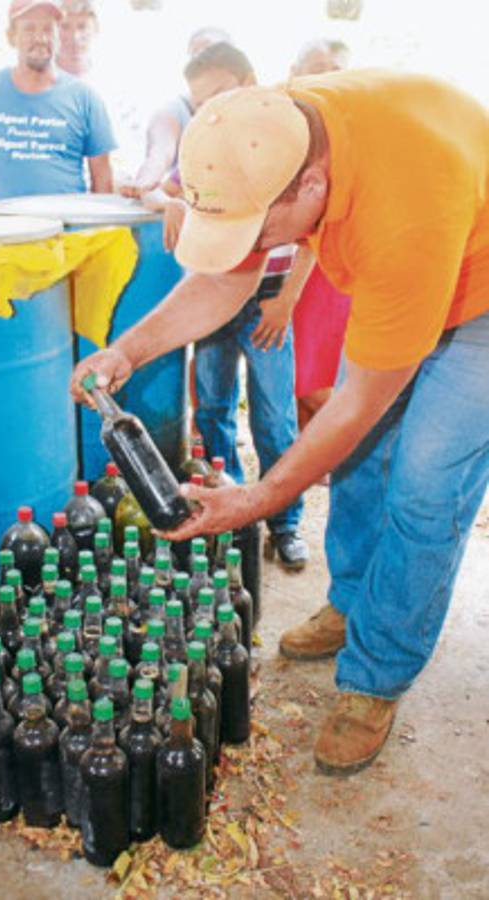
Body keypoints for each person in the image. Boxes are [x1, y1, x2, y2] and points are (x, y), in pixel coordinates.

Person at [72, 72, 489, 775]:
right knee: (359, 461)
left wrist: (260, 498)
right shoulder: (262, 128)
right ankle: (352, 601)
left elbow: (359, 401)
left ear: (312, 189)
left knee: (422, 484)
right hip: (411, 256)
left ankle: (376, 675)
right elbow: (226, 273)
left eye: (259, 228)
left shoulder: (405, 213)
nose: (248, 244)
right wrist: (127, 349)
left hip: (477, 293)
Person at [144, 41, 308, 570]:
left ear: (251, 80)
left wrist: (286, 301)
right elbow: (146, 186)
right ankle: (230, 504)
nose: (209, 110)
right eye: (199, 103)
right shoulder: (206, 148)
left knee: (275, 416)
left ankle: (284, 522)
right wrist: (168, 201)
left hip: (270, 302)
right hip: (214, 296)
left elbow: (314, 239)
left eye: (219, 93)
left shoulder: (287, 142)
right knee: (212, 407)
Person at [0, 0, 116, 202]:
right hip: (9, 230)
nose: (40, 38)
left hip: (68, 229)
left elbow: (103, 181)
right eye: (29, 29)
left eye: (48, 29)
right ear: (11, 36)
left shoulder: (85, 97)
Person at [288, 39, 352, 430]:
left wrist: (289, 293)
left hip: (328, 271)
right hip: (288, 270)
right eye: (317, 65)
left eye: (336, 69)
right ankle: (313, 459)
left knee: (315, 378)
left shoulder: (346, 132)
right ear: (295, 71)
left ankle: (349, 444)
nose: (326, 75)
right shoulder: (288, 125)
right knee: (296, 379)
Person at [119, 25, 231, 199]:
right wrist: (144, 182)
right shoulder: (172, 111)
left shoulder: (252, 107)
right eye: (197, 56)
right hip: (194, 205)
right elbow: (160, 153)